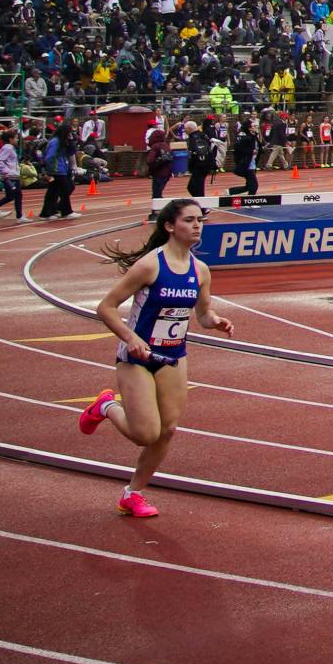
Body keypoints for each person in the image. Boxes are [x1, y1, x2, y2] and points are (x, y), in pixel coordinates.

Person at [77, 199, 235, 517]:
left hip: (173, 355)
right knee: (145, 434)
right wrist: (131, 339)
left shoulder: (199, 270)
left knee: (168, 430)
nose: (196, 226)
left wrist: (215, 321)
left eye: (199, 220)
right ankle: (105, 406)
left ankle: (132, 493)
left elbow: (202, 314)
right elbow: (105, 307)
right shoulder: (150, 265)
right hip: (137, 358)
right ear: (169, 226)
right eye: (189, 220)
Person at [39, 120, 76, 219]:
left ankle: (46, 212)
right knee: (65, 189)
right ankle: (66, 211)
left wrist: (71, 141)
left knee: (52, 191)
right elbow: (49, 156)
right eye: (69, 133)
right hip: (56, 170)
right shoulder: (55, 142)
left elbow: (72, 152)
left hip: (61, 169)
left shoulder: (62, 142)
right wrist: (50, 168)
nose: (70, 134)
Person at [0, 128, 24, 221]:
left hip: (13, 175)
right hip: (10, 176)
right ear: (10, 139)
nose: (17, 140)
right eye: (16, 138)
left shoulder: (9, 148)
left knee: (10, 197)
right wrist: (6, 172)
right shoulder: (8, 148)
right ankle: (19, 216)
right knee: (17, 195)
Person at [227, 116, 259, 196]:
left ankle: (231, 191)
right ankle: (250, 202)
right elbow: (238, 149)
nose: (256, 127)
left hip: (252, 163)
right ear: (249, 128)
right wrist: (251, 151)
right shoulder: (246, 138)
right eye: (254, 126)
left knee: (250, 185)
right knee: (254, 185)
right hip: (247, 165)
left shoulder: (254, 137)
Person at [144, 116, 172, 201]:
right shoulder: (166, 145)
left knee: (156, 195)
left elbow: (150, 160)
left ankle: (155, 212)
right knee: (159, 193)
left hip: (158, 172)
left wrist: (152, 168)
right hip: (167, 173)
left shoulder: (155, 146)